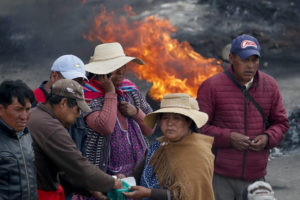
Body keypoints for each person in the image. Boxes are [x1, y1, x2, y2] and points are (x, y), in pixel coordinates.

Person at [196, 34, 289, 200]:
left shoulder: (270, 85)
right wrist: (229, 138)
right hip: (219, 177)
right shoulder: (211, 86)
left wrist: (267, 138)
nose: (250, 66)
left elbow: (281, 123)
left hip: (256, 176)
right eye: (245, 59)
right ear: (231, 58)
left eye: (255, 60)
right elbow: (199, 128)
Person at [27, 79, 122, 200]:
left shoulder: (35, 114)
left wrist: (91, 189)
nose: (78, 115)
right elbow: (79, 166)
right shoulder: (52, 127)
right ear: (63, 103)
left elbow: (65, 170)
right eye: (77, 109)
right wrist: (112, 183)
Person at [121, 93, 215, 200]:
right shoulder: (158, 146)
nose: (170, 123)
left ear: (189, 122)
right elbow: (137, 174)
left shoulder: (197, 154)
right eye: (165, 118)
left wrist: (149, 193)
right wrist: (125, 180)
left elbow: (189, 194)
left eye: (176, 118)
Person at [32, 55, 90, 199]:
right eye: (72, 81)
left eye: (80, 83)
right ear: (54, 76)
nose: (76, 88)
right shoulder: (30, 104)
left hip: (68, 190)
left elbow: (79, 151)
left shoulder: (76, 106)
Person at [0, 80, 38, 200]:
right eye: (18, 109)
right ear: (1, 109)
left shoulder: (25, 134)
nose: (24, 116)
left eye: (27, 109)